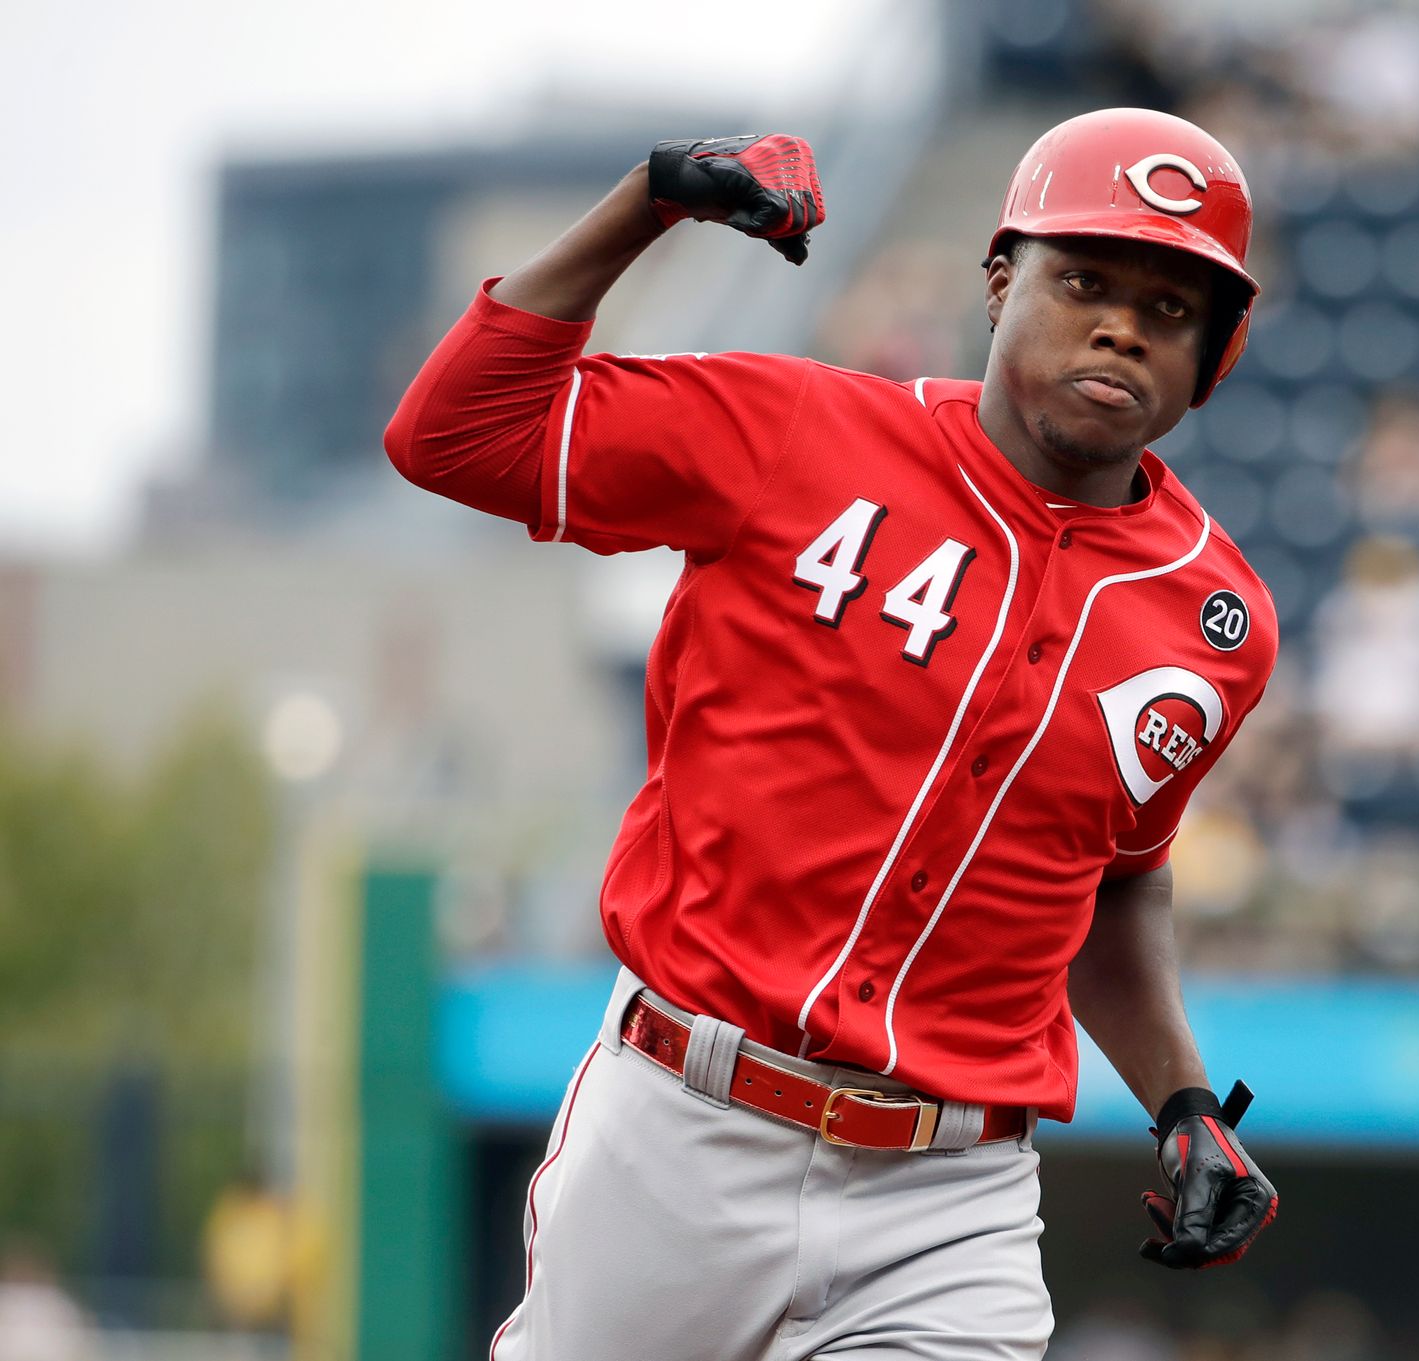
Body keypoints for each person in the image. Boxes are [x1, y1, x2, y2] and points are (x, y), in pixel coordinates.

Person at [385, 109, 1279, 1360]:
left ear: (1214, 354)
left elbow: (1112, 878)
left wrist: (1184, 1097)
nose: (1124, 323)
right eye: (1084, 279)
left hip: (948, 1194)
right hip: (683, 1131)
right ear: (998, 280)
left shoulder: (1216, 621)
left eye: (1173, 307)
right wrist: (648, 200)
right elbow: (454, 434)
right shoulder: (794, 433)